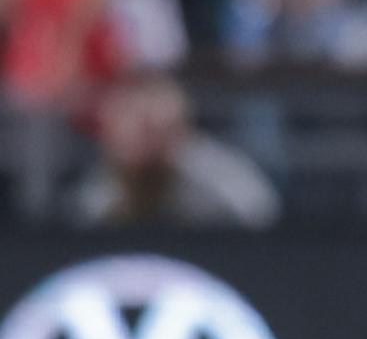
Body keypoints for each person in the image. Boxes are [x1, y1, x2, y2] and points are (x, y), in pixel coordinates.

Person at [73, 73, 280, 228]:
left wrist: (186, 152)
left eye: (158, 128)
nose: (150, 138)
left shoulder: (199, 161)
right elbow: (82, 220)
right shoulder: (109, 178)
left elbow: (259, 209)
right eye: (142, 127)